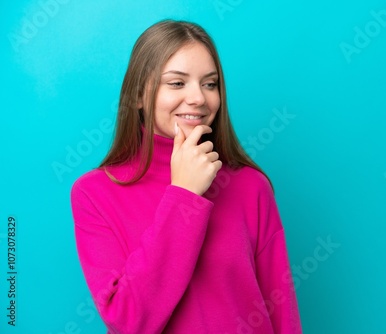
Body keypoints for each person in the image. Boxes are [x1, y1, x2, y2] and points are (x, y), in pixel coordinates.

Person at [70, 19, 302, 333]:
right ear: (139, 95)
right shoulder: (94, 193)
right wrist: (184, 194)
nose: (199, 98)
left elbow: (282, 311)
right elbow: (129, 321)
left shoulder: (251, 187)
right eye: (177, 83)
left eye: (209, 83)